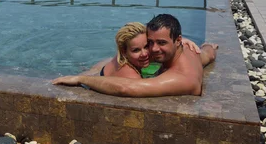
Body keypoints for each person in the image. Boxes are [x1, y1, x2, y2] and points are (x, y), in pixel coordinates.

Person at [52, 14, 218, 97]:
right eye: (150, 42)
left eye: (161, 43)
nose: (153, 50)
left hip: (105, 71)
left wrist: (81, 79)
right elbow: (208, 54)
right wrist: (209, 45)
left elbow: (126, 87)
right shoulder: (191, 51)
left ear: (177, 40)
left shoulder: (181, 78)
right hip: (106, 68)